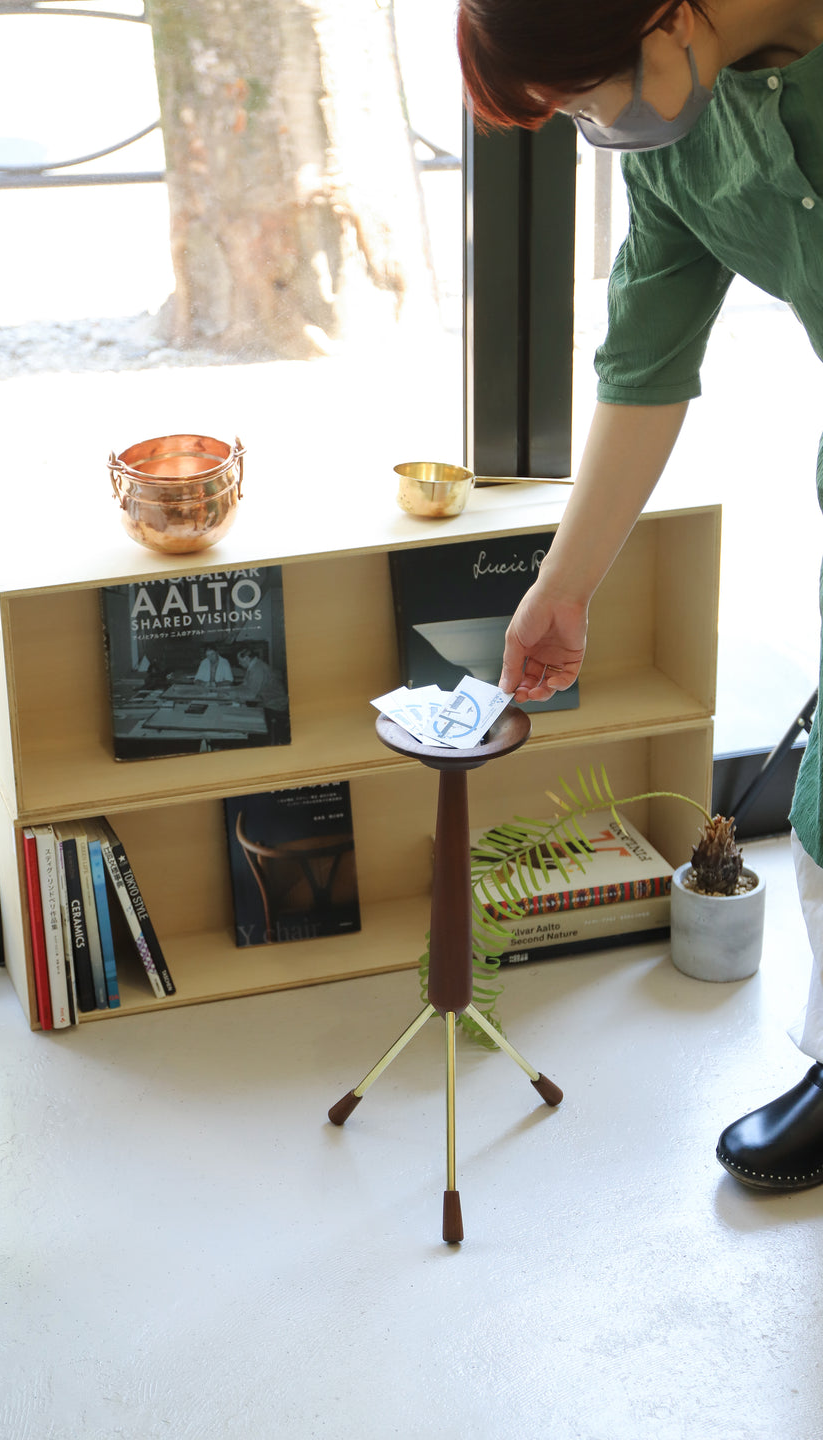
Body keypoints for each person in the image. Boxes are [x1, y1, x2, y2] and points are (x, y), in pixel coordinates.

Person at [457, 0, 823, 1190]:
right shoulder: (682, 140)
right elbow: (645, 363)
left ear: (667, 15)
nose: (599, 126)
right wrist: (562, 589)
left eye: (585, 96)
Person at [232, 647, 291, 744]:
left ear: (247, 658)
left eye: (240, 660)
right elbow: (245, 685)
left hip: (275, 705)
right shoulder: (253, 666)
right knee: (242, 711)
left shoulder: (257, 669)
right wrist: (230, 689)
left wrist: (233, 695)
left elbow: (251, 695)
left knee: (245, 720)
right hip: (265, 700)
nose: (239, 663)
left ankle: (255, 744)